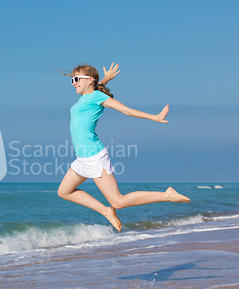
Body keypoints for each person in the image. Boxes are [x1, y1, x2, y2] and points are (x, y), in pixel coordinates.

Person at [57, 63, 190, 232]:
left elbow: (126, 111)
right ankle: (105, 210)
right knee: (64, 191)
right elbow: (95, 88)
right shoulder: (88, 96)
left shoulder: (97, 97)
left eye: (77, 79)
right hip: (83, 158)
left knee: (118, 201)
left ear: (89, 80)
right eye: (72, 80)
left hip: (94, 156)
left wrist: (154, 117)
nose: (74, 82)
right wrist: (106, 79)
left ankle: (167, 195)